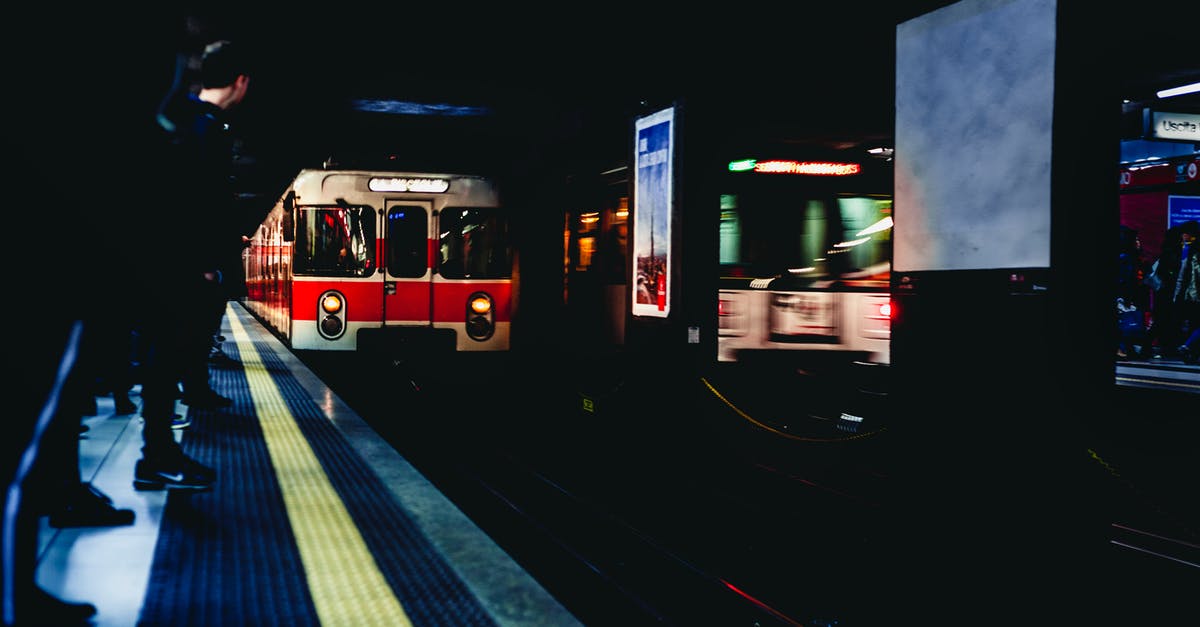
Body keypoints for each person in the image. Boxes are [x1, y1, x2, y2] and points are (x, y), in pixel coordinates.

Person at [131, 38, 257, 491]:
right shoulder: (205, 127)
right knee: (168, 355)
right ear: (240, 82)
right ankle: (157, 456)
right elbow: (194, 201)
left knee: (169, 354)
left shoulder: (187, 118)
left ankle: (159, 453)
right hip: (182, 264)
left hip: (173, 259)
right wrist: (204, 261)